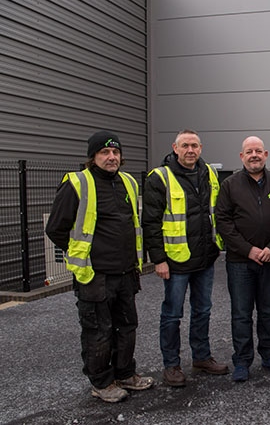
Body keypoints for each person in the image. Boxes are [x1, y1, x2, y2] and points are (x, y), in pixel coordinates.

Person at [45, 130, 153, 403]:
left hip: (126, 272)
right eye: (105, 152)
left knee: (127, 327)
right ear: (92, 157)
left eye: (115, 152)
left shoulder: (128, 182)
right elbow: (56, 228)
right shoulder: (77, 183)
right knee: (98, 331)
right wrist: (80, 254)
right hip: (95, 275)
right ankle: (102, 382)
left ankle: (126, 374)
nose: (111, 157)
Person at [142, 129, 229, 388]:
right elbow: (151, 222)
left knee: (203, 311)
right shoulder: (159, 177)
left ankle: (201, 357)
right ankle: (171, 365)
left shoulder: (210, 173)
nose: (190, 150)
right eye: (185, 145)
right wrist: (158, 259)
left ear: (200, 148)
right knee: (172, 314)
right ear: (175, 148)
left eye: (194, 145)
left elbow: (218, 212)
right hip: (176, 260)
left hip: (205, 258)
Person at [215, 136, 270, 382]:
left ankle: (269, 354)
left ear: (266, 154)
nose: (254, 155)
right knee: (241, 313)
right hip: (240, 262)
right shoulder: (230, 185)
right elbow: (223, 222)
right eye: (249, 151)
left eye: (258, 151)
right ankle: (242, 360)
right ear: (241, 156)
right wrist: (248, 250)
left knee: (268, 311)